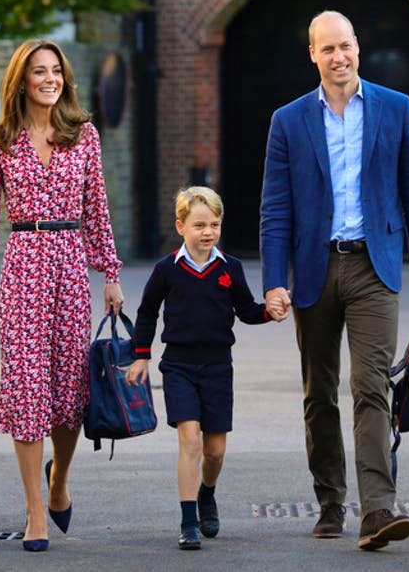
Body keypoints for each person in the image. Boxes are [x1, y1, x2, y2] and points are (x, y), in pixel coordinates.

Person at [259, 10, 409, 551]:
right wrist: (274, 281)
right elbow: (275, 209)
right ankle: (330, 501)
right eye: (327, 49)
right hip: (314, 270)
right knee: (319, 393)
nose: (338, 57)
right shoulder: (288, 120)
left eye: (345, 46)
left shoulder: (396, 107)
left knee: (371, 386)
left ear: (357, 47)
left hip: (373, 267)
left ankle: (378, 509)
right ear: (312, 55)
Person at [0, 38, 125, 553]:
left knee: (69, 393)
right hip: (23, 267)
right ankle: (34, 511)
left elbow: (97, 208)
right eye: (39, 72)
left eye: (56, 71)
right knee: (28, 389)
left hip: (70, 266)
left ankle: (59, 479)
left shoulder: (84, 135)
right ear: (21, 81)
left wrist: (110, 272)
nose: (50, 79)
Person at [126, 186, 275, 550]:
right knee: (190, 440)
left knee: (215, 451)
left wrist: (270, 312)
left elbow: (246, 310)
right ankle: (188, 520)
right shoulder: (166, 269)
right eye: (199, 225)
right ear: (181, 226)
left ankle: (207, 492)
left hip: (218, 367)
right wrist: (141, 355)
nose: (208, 232)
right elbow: (147, 312)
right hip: (178, 366)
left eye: (214, 225)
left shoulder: (230, 268)